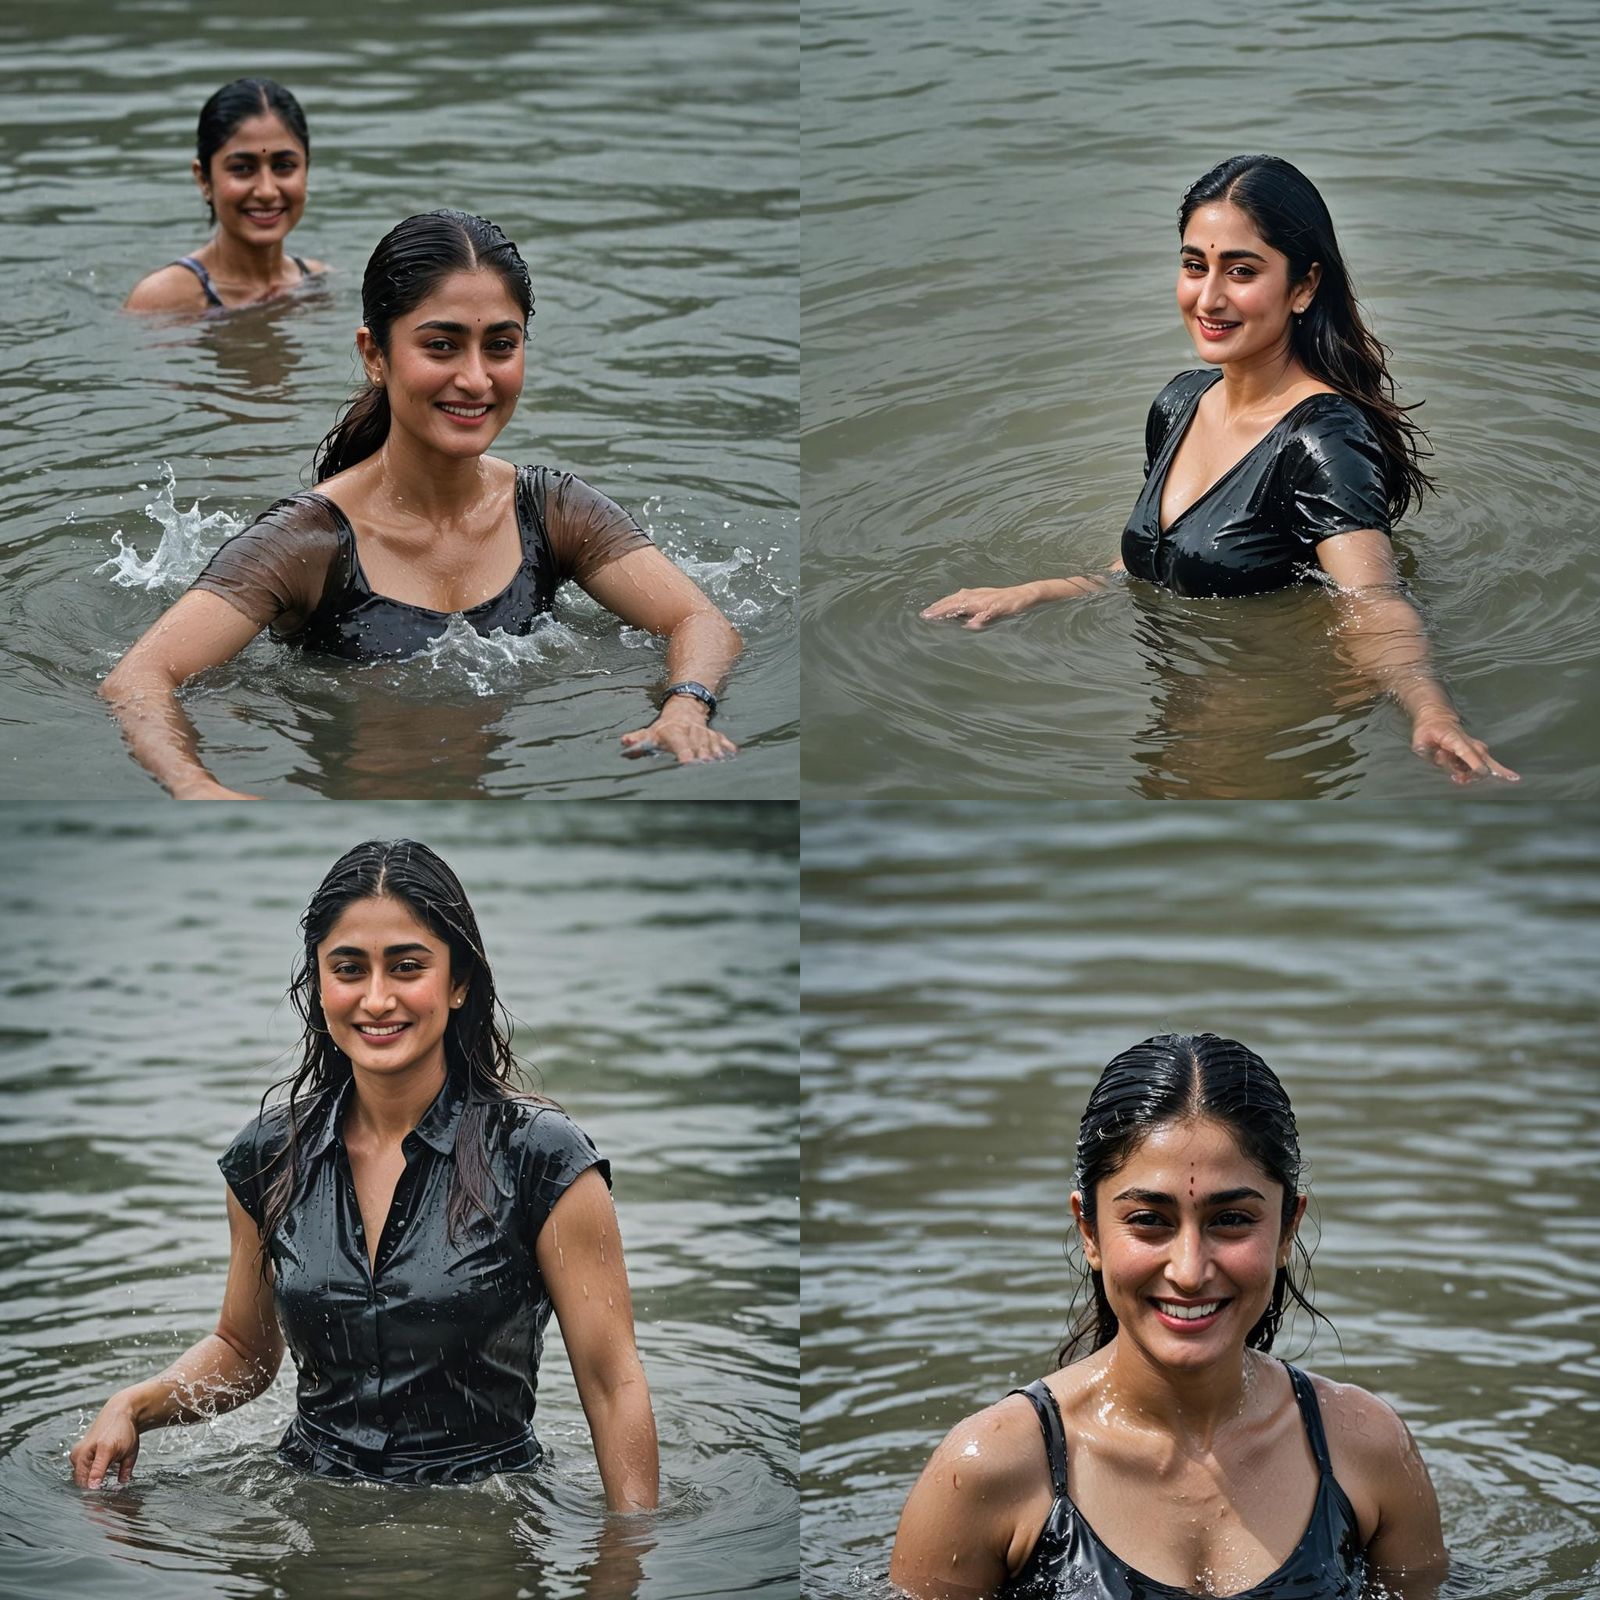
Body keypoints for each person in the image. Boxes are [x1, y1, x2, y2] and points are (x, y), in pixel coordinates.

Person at [69, 838, 659, 1501]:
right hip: (308, 1510)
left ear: (459, 981)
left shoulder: (542, 1158)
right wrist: (134, 1406)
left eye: (407, 967)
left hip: (481, 1524)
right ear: (319, 985)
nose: (377, 999)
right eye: (349, 969)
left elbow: (613, 1385)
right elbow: (243, 1349)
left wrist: (622, 1563)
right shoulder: (269, 1157)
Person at [921, 154, 1517, 787]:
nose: (1209, 297)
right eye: (1193, 265)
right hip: (1182, 705)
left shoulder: (1322, 439)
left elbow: (1372, 602)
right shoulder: (1181, 402)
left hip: (1276, 712)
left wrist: (1431, 710)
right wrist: (1039, 592)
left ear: (1304, 287)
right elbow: (1155, 561)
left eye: (1241, 270)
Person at [100, 210, 742, 793]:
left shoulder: (553, 509)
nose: (475, 378)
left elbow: (701, 621)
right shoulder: (305, 542)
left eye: (501, 344)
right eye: (441, 345)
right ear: (375, 354)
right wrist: (197, 787)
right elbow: (139, 679)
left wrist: (685, 704)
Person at [890, 1033, 1447, 1600]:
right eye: (1149, 1220)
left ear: (1287, 1228)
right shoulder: (990, 1472)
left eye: (1231, 1219)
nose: (1188, 1269)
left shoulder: (1366, 1449)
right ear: (1089, 1229)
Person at [124, 78, 327, 314]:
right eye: (242, 168)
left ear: (306, 170)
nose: (267, 191)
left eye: (284, 165)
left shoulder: (315, 284)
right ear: (203, 179)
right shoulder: (165, 300)